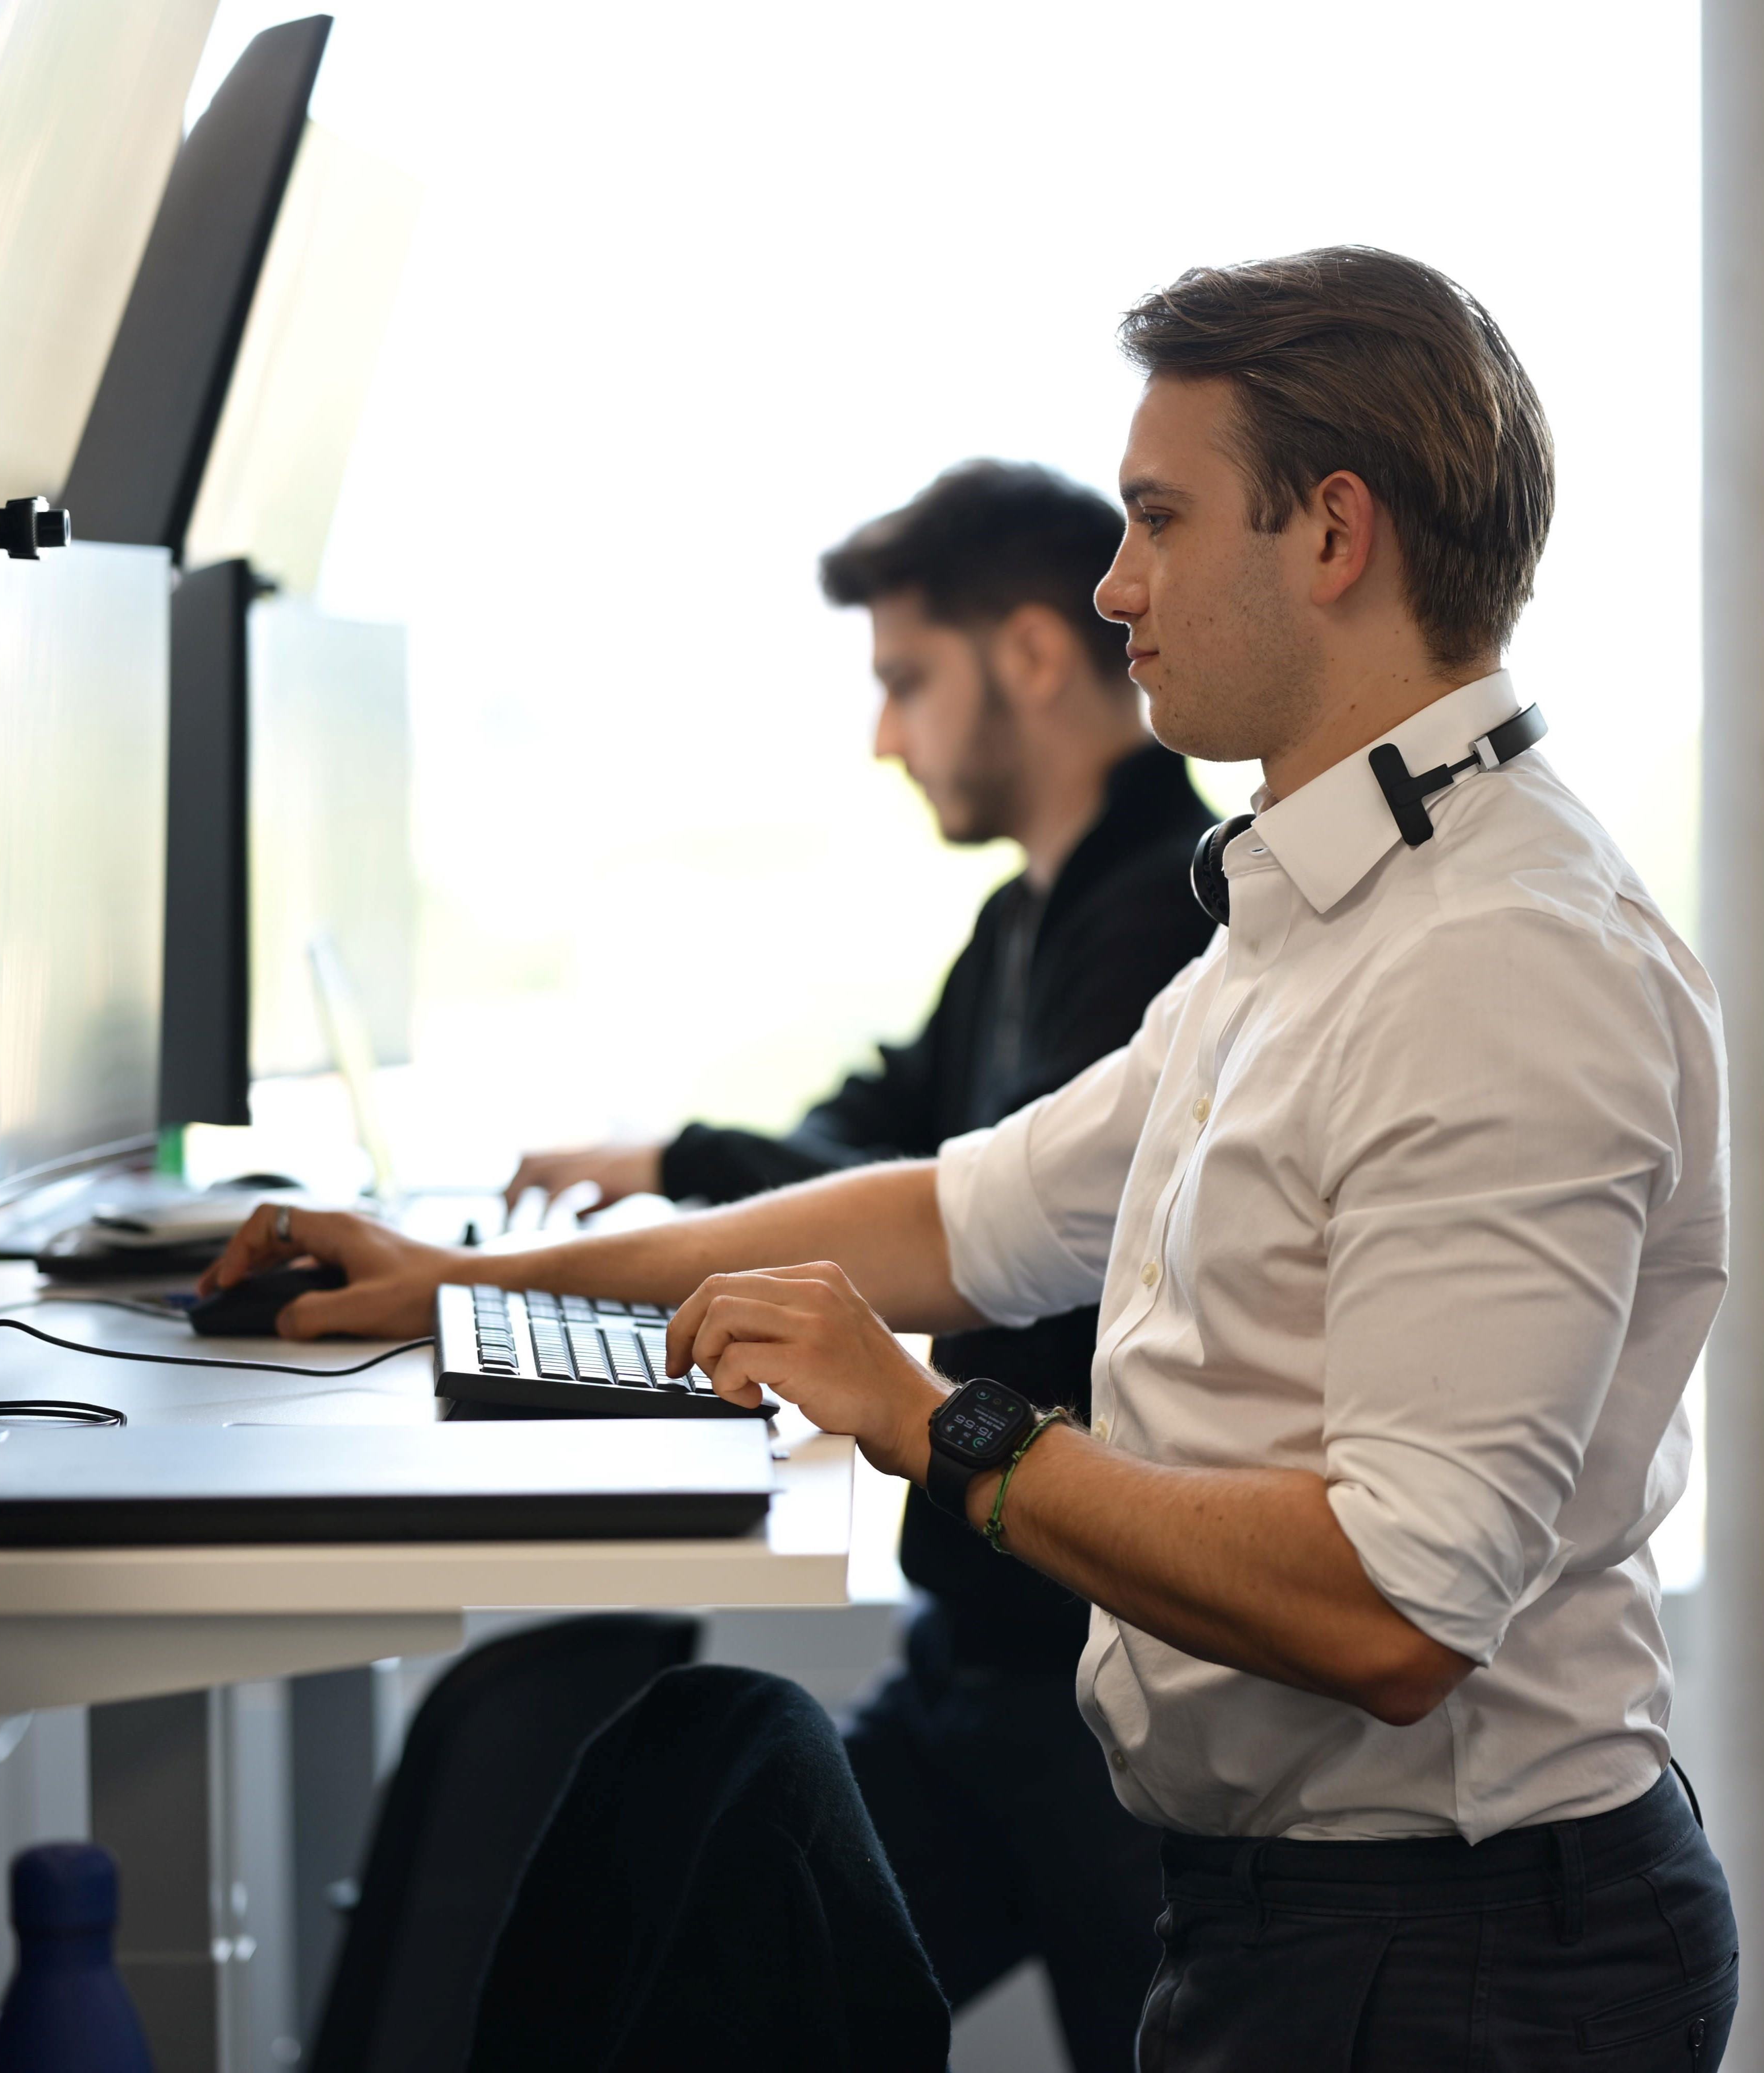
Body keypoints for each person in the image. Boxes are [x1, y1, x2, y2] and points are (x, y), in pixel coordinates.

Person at [210, 246, 1737, 2068]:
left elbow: (1399, 1604)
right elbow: (962, 1210)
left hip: (1452, 1961)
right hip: (1292, 1916)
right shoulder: (1318, 921)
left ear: (1334, 537)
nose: (1116, 586)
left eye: (1157, 522)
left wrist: (945, 1426)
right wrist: (468, 1279)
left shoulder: (1500, 966)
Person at [503, 461, 1221, 2069]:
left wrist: (687, 1188)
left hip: (1088, 1681)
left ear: (1033, 657)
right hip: (981, 1662)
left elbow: (959, 1233)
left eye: (907, 681)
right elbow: (879, 1132)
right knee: (716, 1977)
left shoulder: (1165, 925)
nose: (886, 736)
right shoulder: (1027, 920)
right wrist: (666, 1170)